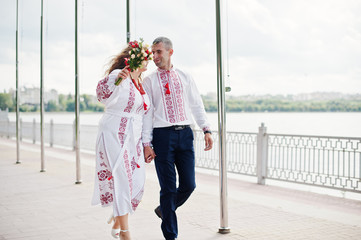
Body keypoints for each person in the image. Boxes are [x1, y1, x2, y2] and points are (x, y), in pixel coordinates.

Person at [142, 37, 213, 240]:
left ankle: (165, 210)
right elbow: (147, 114)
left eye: (158, 52)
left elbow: (196, 104)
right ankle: (171, 236)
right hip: (162, 136)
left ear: (170, 52)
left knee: (189, 185)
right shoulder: (149, 81)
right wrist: (147, 143)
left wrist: (206, 129)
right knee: (167, 188)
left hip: (185, 134)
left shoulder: (185, 76)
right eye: (153, 53)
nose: (154, 56)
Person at [91, 40, 153, 240]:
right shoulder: (119, 76)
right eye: (146, 57)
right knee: (122, 180)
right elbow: (103, 95)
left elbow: (144, 117)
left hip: (133, 137)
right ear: (135, 59)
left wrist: (146, 143)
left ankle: (118, 217)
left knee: (137, 181)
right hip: (114, 133)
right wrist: (117, 79)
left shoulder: (140, 84)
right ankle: (125, 232)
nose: (149, 61)